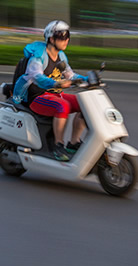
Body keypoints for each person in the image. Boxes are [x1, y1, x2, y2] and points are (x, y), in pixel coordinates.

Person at [13, 20, 88, 161]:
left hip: (54, 94)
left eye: (67, 36)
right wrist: (56, 83)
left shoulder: (61, 56)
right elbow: (36, 76)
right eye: (61, 36)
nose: (66, 40)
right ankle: (57, 146)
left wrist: (87, 79)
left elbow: (70, 74)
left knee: (85, 104)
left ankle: (73, 143)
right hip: (36, 97)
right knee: (62, 106)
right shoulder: (39, 56)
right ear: (51, 39)